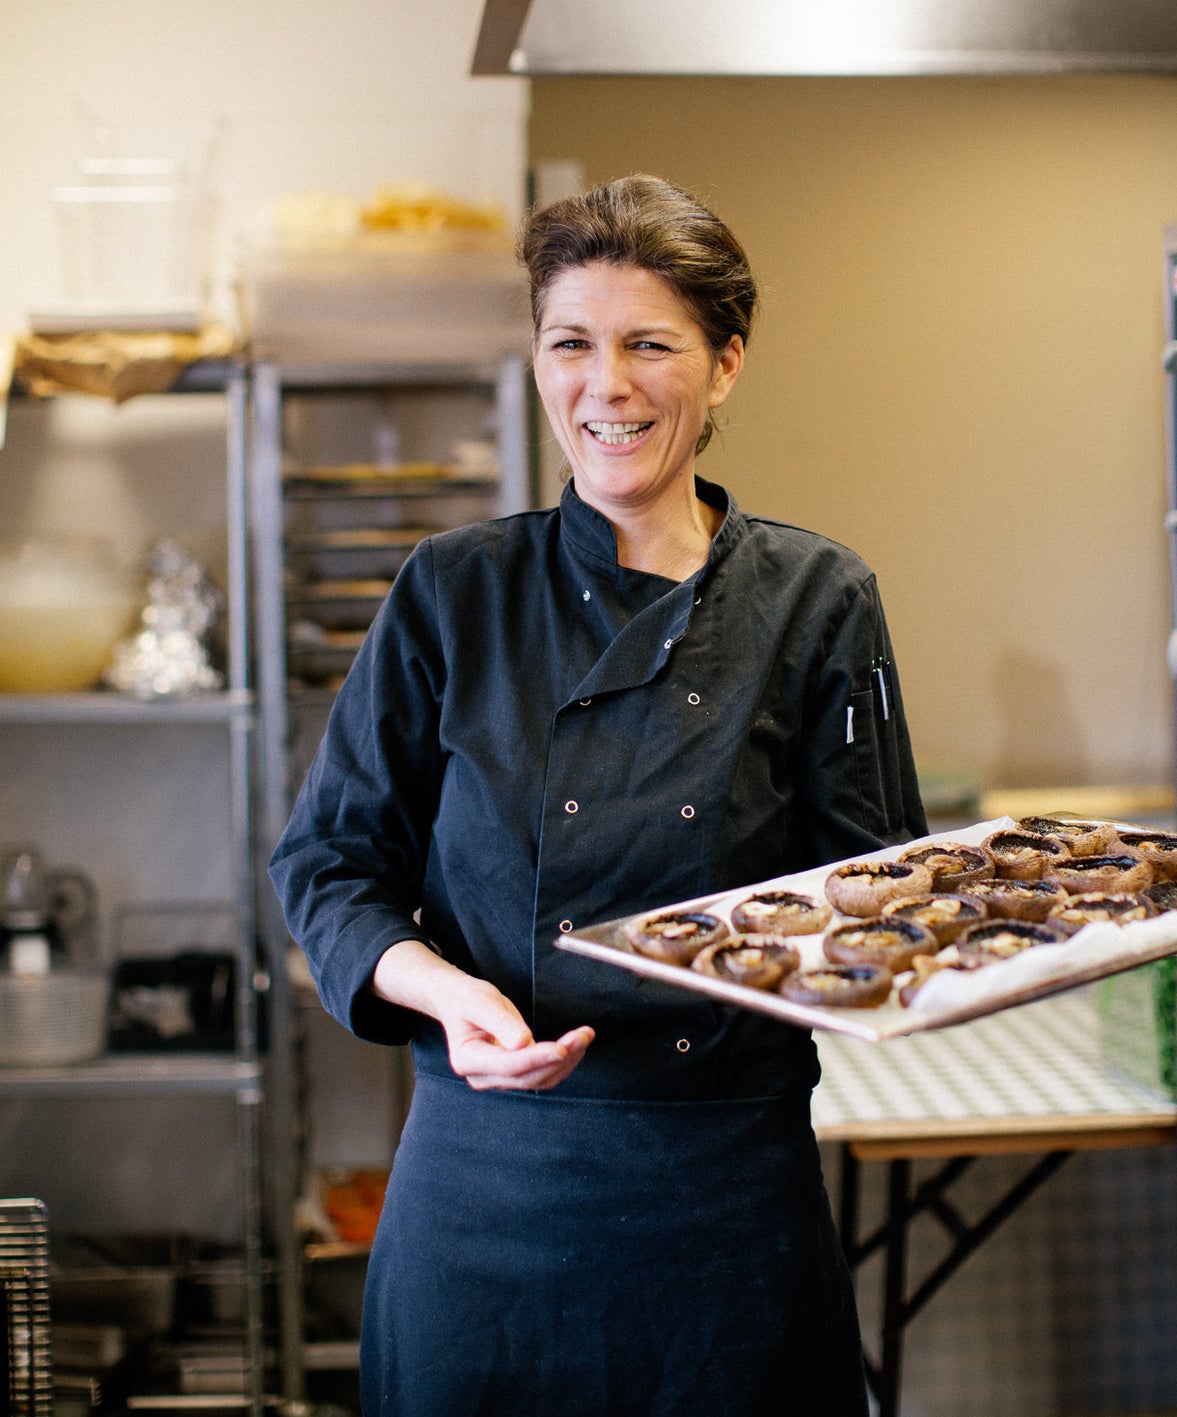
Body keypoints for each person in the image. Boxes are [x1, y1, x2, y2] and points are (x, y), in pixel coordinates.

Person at [269, 173, 928, 1417]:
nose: (604, 386)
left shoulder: (815, 598)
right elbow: (328, 864)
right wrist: (451, 995)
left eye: (648, 345)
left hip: (723, 1196)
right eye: (570, 343)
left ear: (724, 365)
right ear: (535, 359)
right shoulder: (452, 592)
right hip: (483, 1187)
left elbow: (876, 898)